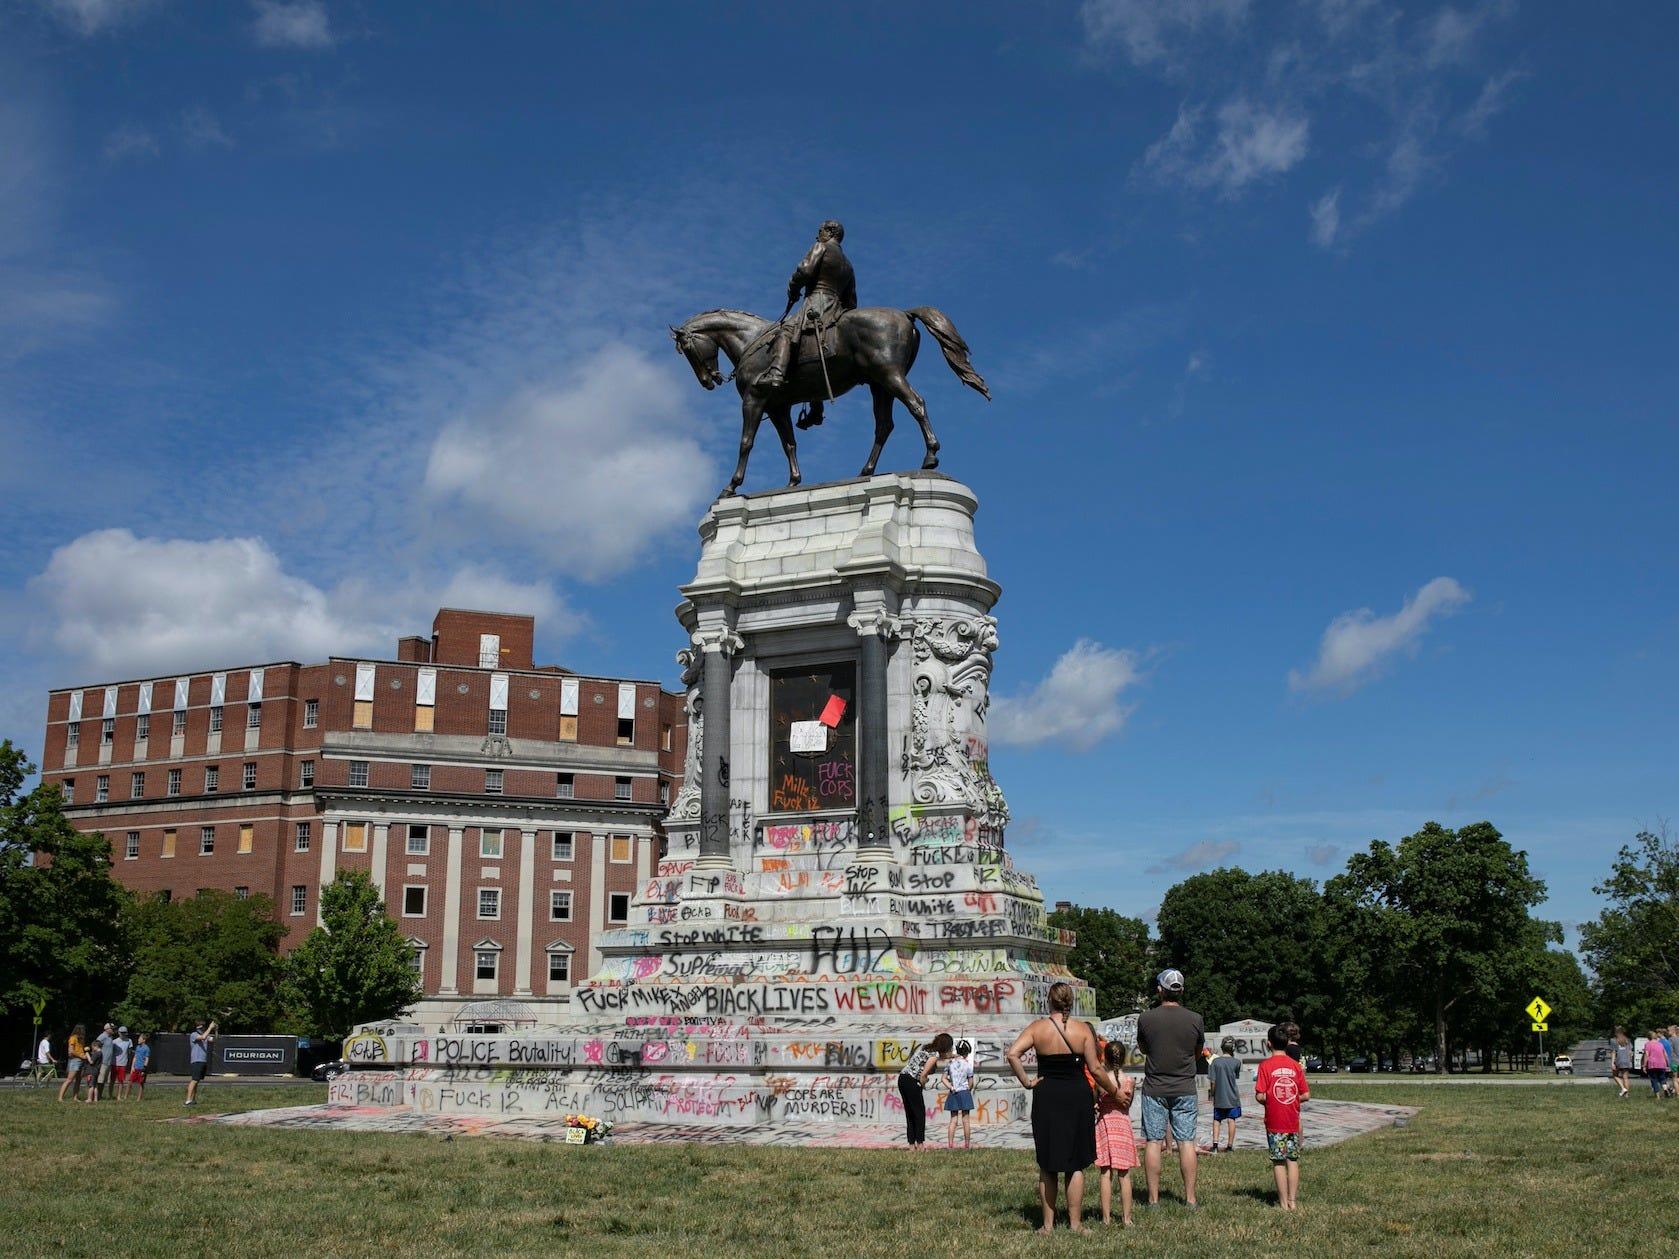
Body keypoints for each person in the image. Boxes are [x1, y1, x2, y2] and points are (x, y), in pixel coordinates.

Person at [1005, 980, 1120, 1234]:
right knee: (1075, 1162)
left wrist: (1027, 1081)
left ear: (1049, 1001)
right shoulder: (1082, 1030)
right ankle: (1075, 1224)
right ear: (1071, 1001)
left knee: (1048, 1163)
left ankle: (1047, 1226)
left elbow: (1012, 1053)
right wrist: (1115, 1092)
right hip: (1076, 1096)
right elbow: (1097, 1069)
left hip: (1047, 1095)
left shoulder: (1038, 1028)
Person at [757, 219, 859, 428]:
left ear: (830, 232)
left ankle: (776, 373)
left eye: (820, 230)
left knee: (785, 331)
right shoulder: (848, 265)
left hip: (817, 302)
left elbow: (804, 270)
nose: (817, 235)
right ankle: (816, 409)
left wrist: (793, 288)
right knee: (813, 351)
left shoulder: (821, 247)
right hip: (837, 308)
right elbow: (852, 299)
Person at [1136, 969, 1205, 1210]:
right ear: (1181, 990)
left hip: (1155, 1087)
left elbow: (1144, 1049)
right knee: (1186, 1142)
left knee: (1154, 1142)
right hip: (1184, 1086)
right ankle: (1190, 1199)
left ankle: (1153, 1200)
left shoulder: (1146, 1018)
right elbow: (1197, 1053)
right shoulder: (1195, 1019)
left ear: (1159, 990)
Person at [1255, 1023, 1310, 1211]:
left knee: (1278, 1161)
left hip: (1274, 1122)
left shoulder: (1265, 1066)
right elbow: (1306, 1094)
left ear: (1269, 1044)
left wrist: (1269, 1100)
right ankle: (1293, 1201)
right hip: (1292, 1121)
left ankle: (1282, 1203)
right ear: (1287, 1042)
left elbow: (1260, 1095)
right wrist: (1292, 1098)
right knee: (1292, 1160)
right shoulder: (1295, 1066)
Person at [1094, 1041, 1138, 1227]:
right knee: (1124, 1174)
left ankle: (1106, 1218)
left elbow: (1096, 1101)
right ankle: (1127, 1218)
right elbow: (1128, 1104)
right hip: (1123, 1126)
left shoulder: (1102, 1081)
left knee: (1105, 1172)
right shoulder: (1130, 1082)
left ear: (1106, 1057)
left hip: (1105, 1125)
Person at [898, 1033, 950, 1149]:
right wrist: (922, 1085)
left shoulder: (927, 1049)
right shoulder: (934, 1055)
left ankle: (912, 1145)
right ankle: (920, 1145)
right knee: (919, 1113)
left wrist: (954, 1056)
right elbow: (923, 1074)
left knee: (910, 1113)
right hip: (912, 1081)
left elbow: (943, 1057)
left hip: (902, 1078)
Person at [1208, 1036, 1243, 1153]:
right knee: (1231, 1120)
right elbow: (1235, 1077)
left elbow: (1213, 1081)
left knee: (1217, 1120)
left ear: (1222, 1047)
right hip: (1232, 1096)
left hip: (1219, 1096)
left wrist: (1212, 1094)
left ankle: (1215, 1145)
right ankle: (1229, 1146)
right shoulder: (1237, 1062)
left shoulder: (1215, 1062)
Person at [945, 1039, 976, 1149]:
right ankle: (967, 1145)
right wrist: (969, 1088)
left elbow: (943, 1079)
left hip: (953, 1092)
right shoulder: (968, 1065)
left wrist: (951, 1087)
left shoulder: (950, 1064)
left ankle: (950, 1144)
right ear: (967, 1052)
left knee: (953, 1120)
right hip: (964, 1092)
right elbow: (971, 1082)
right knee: (966, 1120)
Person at [185, 1019, 216, 1106]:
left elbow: (213, 1039)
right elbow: (202, 1037)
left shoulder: (205, 1035)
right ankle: (188, 1100)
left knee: (197, 1081)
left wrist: (215, 1029)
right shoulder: (194, 1035)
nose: (202, 1029)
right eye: (201, 1027)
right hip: (196, 1060)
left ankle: (193, 1099)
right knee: (194, 1080)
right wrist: (210, 1028)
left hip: (203, 1060)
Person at [87, 1021, 115, 1103]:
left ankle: (99, 1096)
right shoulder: (102, 1036)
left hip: (108, 1062)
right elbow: (95, 1046)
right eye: (112, 1028)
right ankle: (94, 1097)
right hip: (102, 1063)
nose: (113, 1030)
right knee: (99, 1080)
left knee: (103, 1081)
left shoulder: (110, 1037)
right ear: (107, 1029)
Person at [58, 1024, 87, 1102]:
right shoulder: (73, 1038)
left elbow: (80, 1050)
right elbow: (71, 1051)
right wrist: (81, 1056)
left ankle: (75, 1097)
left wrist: (84, 1055)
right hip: (75, 1060)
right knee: (69, 1079)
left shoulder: (81, 1039)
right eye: (83, 1030)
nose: (84, 1032)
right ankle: (60, 1098)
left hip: (81, 1060)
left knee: (78, 1080)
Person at [1643, 1028, 1670, 1097]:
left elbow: (1646, 1055)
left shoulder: (1647, 1044)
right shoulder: (1660, 1044)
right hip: (1662, 1064)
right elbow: (1665, 1055)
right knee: (1662, 1078)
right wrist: (1668, 1064)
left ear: (1648, 1037)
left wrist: (1644, 1065)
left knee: (1654, 1080)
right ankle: (1665, 1088)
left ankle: (1657, 1096)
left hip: (1652, 1064)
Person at [127, 1033, 151, 1101]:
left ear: (144, 1040)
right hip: (136, 1068)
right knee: (130, 1081)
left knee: (141, 1083)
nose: (138, 1040)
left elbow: (146, 1059)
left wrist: (144, 1069)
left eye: (139, 1038)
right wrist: (132, 1067)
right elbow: (135, 1057)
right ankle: (126, 1096)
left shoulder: (147, 1048)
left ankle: (139, 1098)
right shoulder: (137, 1047)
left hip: (141, 1068)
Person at [1612, 1028, 1633, 1099]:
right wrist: (1630, 1060)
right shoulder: (1628, 1040)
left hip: (1619, 1060)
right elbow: (1630, 1052)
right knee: (1625, 1078)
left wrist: (1612, 1063)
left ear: (1616, 1033)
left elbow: (1614, 1052)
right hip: (1627, 1060)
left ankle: (1623, 1088)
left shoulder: (1614, 1041)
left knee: (1615, 1075)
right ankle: (1627, 1095)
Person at [112, 1026, 133, 1094]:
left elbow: (130, 1051)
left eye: (124, 1032)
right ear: (118, 1033)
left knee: (121, 1080)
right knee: (112, 1080)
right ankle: (111, 1095)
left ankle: (119, 1096)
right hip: (114, 1063)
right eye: (121, 1032)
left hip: (123, 1063)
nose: (123, 1034)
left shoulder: (129, 1041)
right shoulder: (114, 1041)